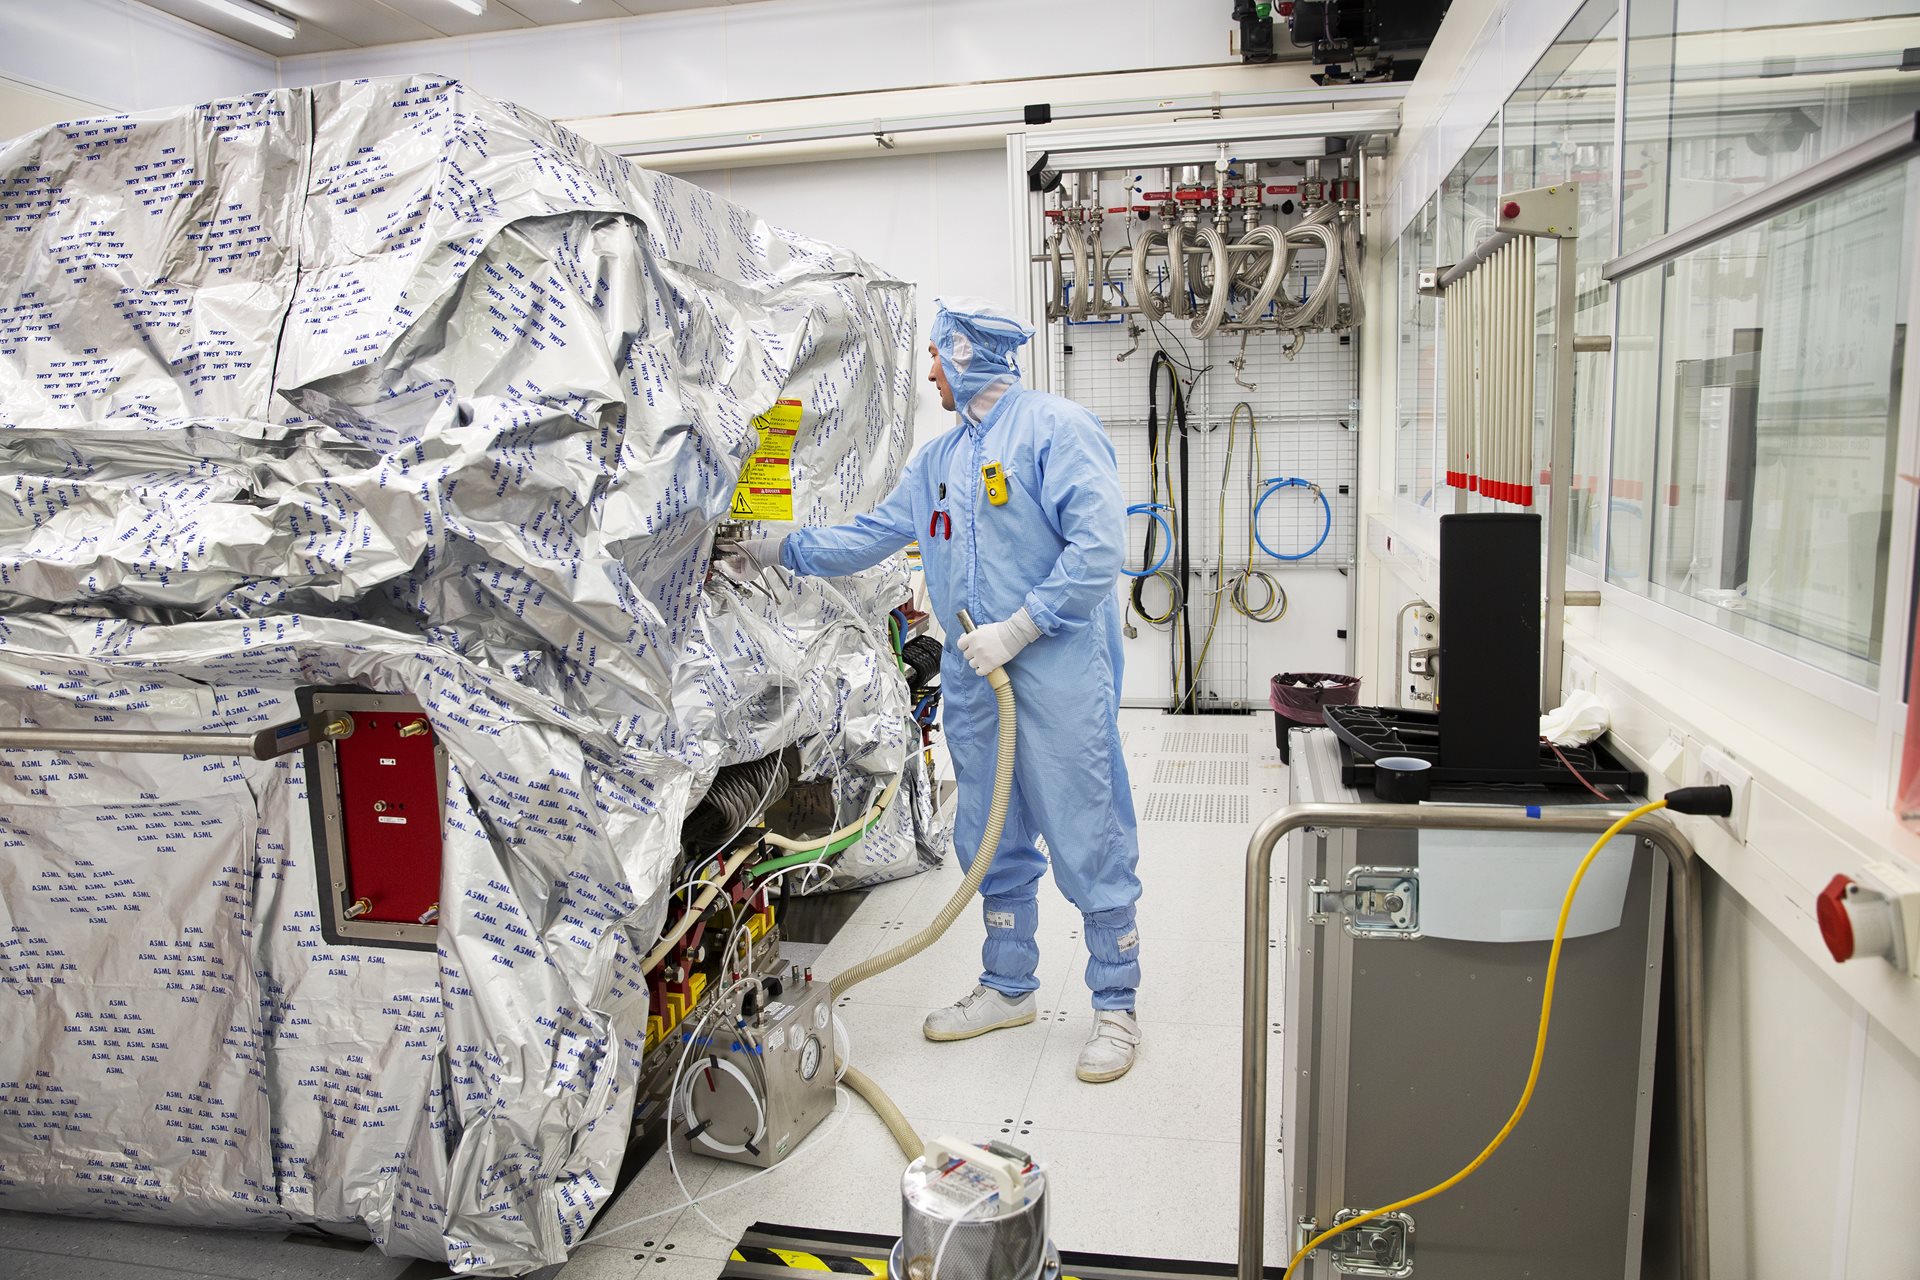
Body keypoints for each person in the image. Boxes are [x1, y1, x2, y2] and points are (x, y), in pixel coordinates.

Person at [731, 298, 1143, 1083]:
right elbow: (869, 536)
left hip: (1054, 672)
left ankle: (1115, 1005)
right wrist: (774, 547)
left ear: (966, 357)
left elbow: (1096, 552)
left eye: (935, 359)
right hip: (977, 680)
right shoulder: (940, 460)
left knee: (1089, 829)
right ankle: (1008, 985)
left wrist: (1020, 628)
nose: (928, 374)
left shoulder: (1056, 430)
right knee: (991, 832)